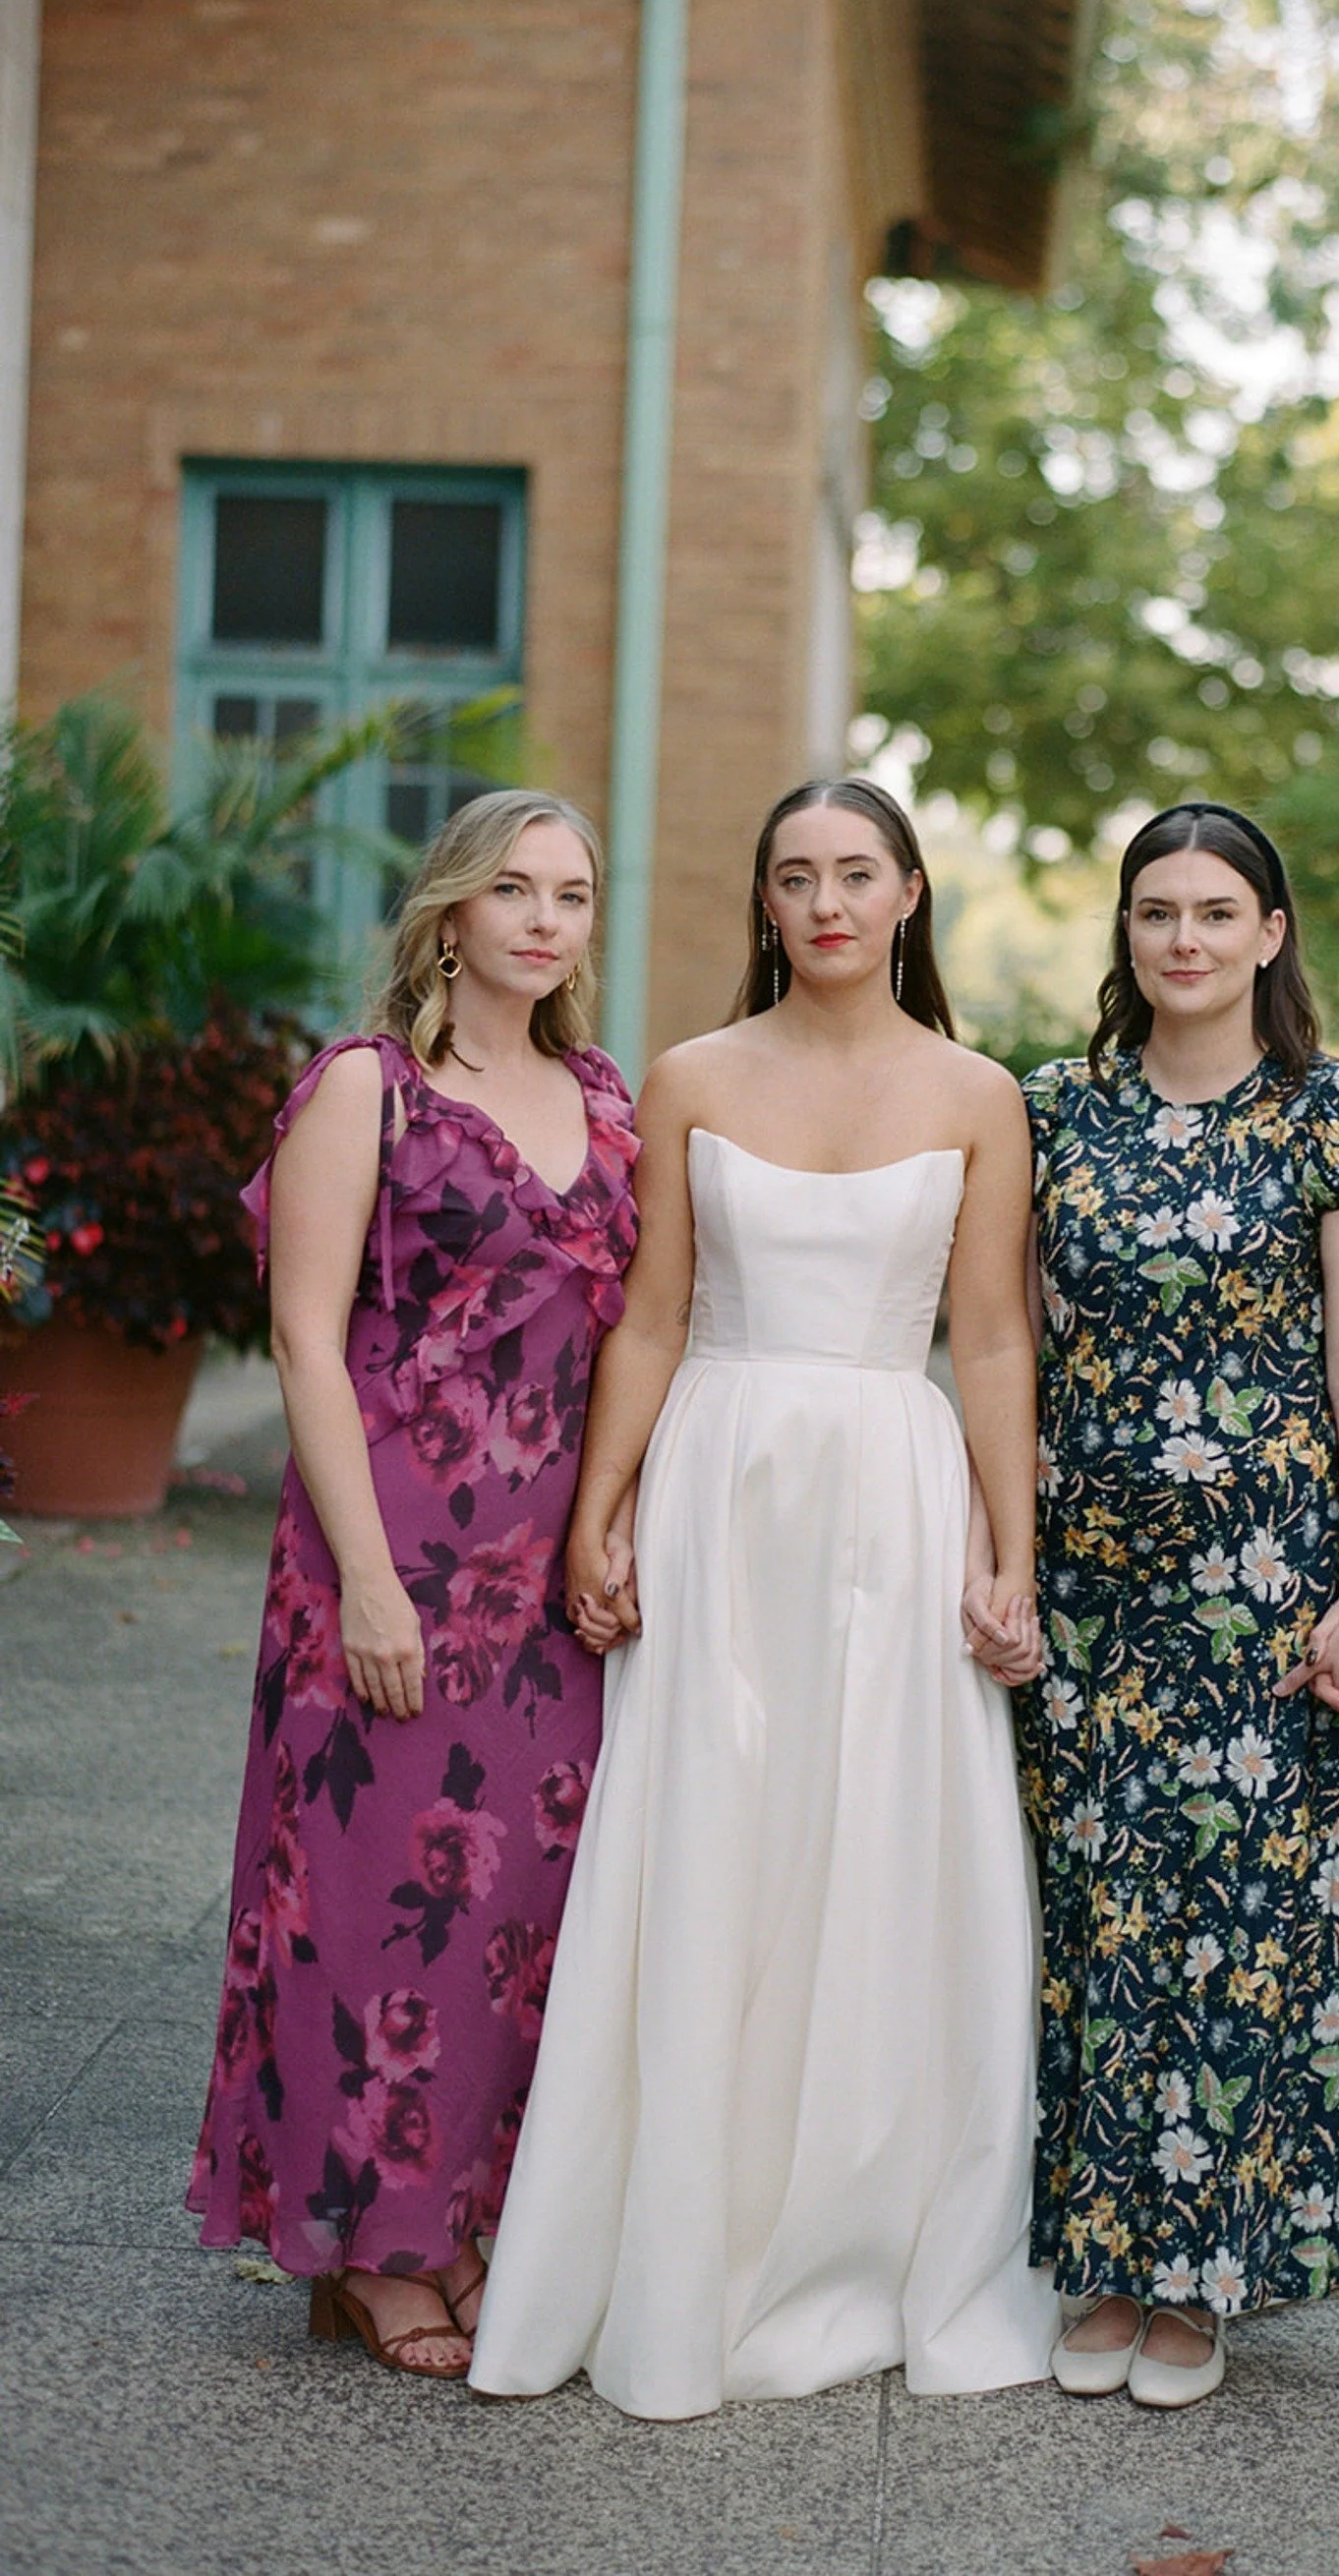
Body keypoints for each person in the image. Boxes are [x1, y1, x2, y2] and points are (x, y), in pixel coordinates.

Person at [468, 778, 1059, 2421]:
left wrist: (1004, 1554)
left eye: (856, 873)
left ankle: (870, 2229)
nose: (826, 903)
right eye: (793, 874)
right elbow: (650, 1317)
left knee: (878, 1841)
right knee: (711, 1837)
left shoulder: (979, 1092)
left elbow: (993, 1336)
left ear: (913, 892)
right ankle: (689, 2236)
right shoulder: (690, 1076)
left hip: (891, 1477)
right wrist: (607, 1509)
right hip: (722, 1483)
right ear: (766, 900)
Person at [187, 791, 640, 2378]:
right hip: (383, 1556)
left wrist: (615, 1523)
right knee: (375, 1901)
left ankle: (460, 2221)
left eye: (571, 897)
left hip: (543, 1577)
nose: (541, 920)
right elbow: (306, 1339)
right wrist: (370, 1586)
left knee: (516, 1911)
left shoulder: (602, 1094)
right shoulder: (363, 1089)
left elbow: (623, 1342)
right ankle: (367, 2252)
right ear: (447, 912)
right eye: (509, 889)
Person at [1013, 801, 1339, 2411]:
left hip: (1264, 1584)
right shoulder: (1051, 1112)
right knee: (1097, 1914)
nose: (1181, 938)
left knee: (1244, 1924)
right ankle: (1103, 2251)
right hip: (1090, 1579)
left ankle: (1206, 2273)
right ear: (1126, 936)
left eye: (1215, 911)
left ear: (1269, 934)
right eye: (1154, 911)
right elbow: (1013, 1346)